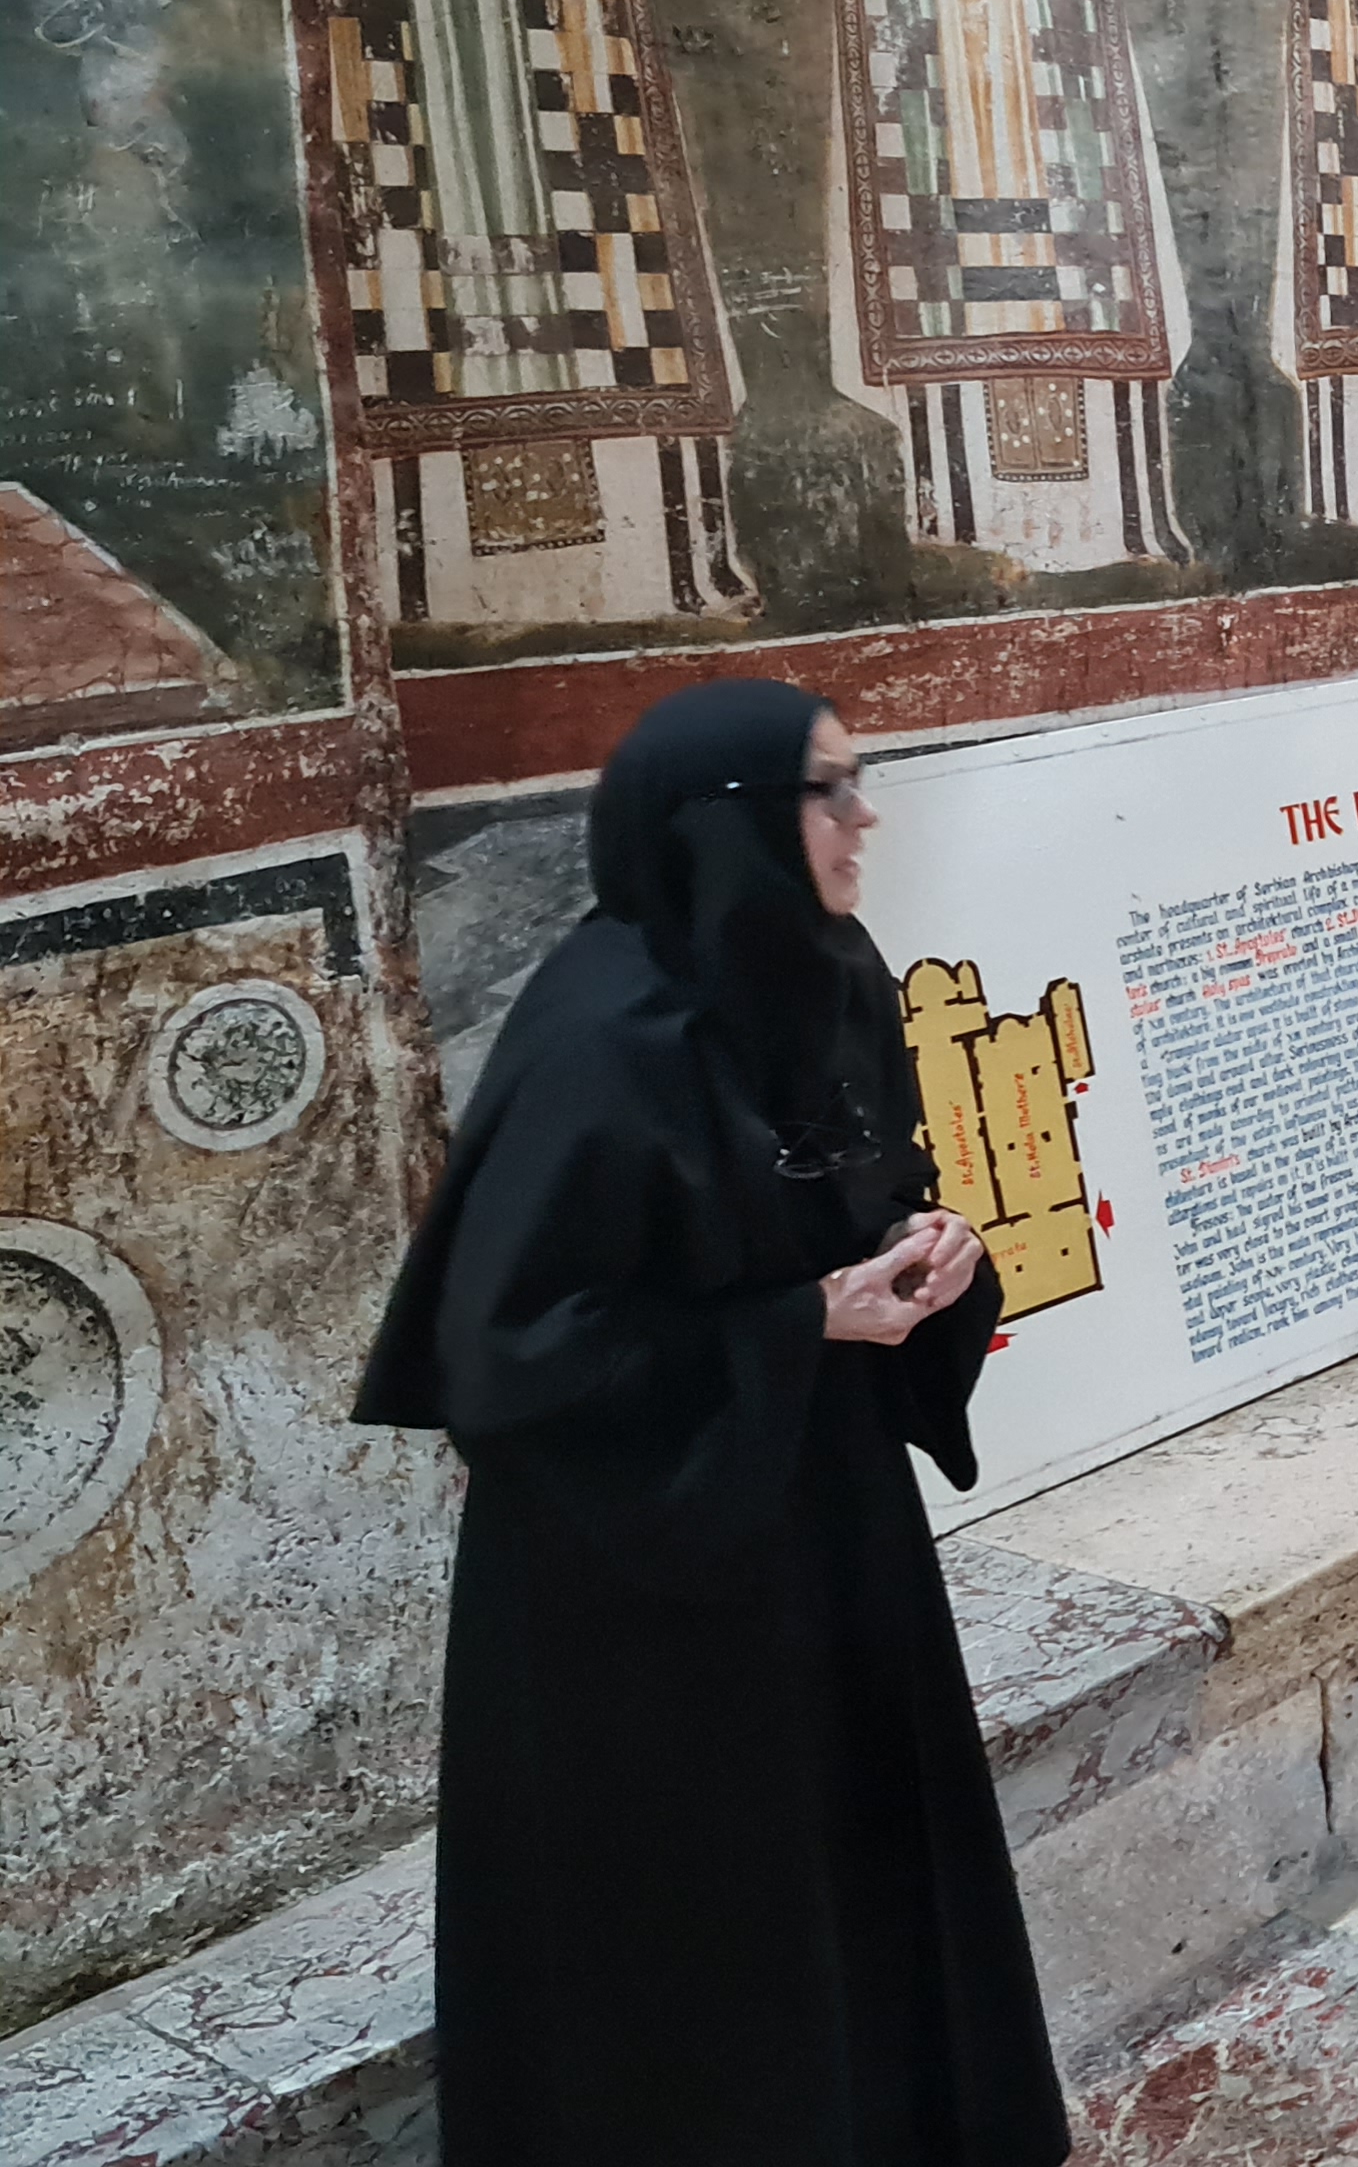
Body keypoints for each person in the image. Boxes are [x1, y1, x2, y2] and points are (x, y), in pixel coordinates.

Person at [358, 681, 1066, 2167]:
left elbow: (861, 1184)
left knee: (866, 1868)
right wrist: (800, 1321)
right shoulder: (603, 1038)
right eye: (830, 789)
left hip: (825, 1518)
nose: (865, 818)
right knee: (706, 1944)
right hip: (639, 1594)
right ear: (727, 826)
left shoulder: (830, 970)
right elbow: (513, 1358)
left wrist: (929, 1249)